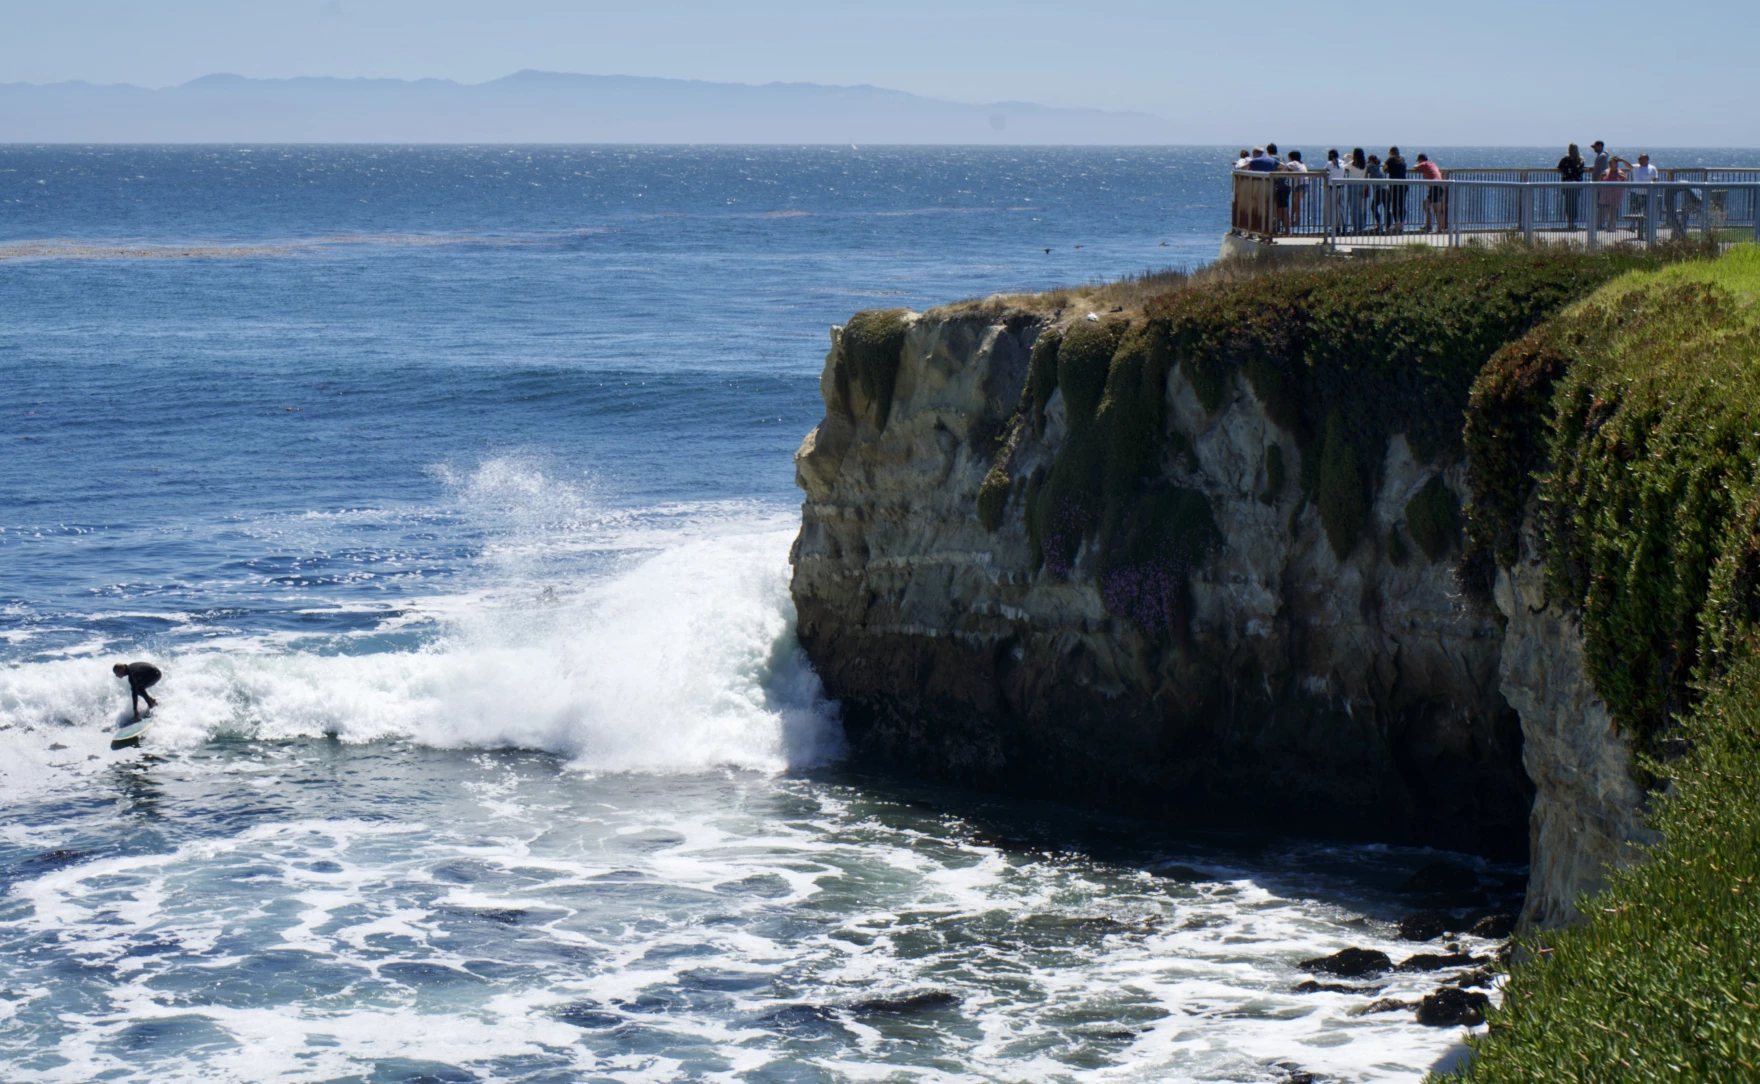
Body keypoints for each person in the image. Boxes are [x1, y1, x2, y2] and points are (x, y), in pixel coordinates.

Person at [1557, 143, 1587, 230]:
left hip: (1567, 184)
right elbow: (1581, 170)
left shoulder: (1565, 159)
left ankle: (1569, 222)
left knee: (1568, 204)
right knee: (1574, 204)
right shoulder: (1580, 160)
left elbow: (1559, 168)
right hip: (1576, 184)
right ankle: (1572, 222)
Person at [1415, 153, 1447, 233]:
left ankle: (1439, 229)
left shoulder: (1425, 163)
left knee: (1437, 209)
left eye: (1418, 161)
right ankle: (1428, 226)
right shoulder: (1432, 163)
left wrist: (1418, 167)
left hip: (1435, 186)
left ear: (1421, 160)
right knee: (1425, 205)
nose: (1418, 162)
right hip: (1436, 186)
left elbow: (1415, 167)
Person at [1597, 156, 1630, 232]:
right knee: (1603, 210)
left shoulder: (1620, 172)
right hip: (1606, 195)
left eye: (1614, 163)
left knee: (1613, 211)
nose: (1612, 165)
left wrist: (1623, 178)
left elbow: (1626, 182)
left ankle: (1611, 226)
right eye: (1611, 164)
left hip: (1616, 195)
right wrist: (1600, 176)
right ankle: (1600, 224)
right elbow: (1599, 181)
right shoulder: (1606, 172)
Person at [1278, 150, 1307, 233]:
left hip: (1299, 184)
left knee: (1296, 203)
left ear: (1291, 157)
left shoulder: (1292, 163)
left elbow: (1283, 168)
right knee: (1295, 202)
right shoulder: (1302, 164)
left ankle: (1297, 221)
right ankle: (1291, 219)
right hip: (1306, 183)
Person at [1628, 153, 1660, 227]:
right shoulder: (1636, 167)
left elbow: (1654, 179)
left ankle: (1646, 225)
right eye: (1638, 159)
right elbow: (1629, 165)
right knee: (1634, 209)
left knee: (1646, 210)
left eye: (1640, 159)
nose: (1639, 160)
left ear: (1646, 159)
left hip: (1646, 193)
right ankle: (1632, 225)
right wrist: (1622, 160)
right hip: (1635, 192)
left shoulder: (1652, 168)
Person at [1384, 146, 1408, 233]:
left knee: (1394, 204)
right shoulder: (1402, 159)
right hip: (1403, 184)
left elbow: (1384, 169)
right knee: (1402, 204)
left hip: (1394, 185)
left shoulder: (1390, 159)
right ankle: (1401, 225)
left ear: (1390, 152)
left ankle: (1396, 225)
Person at [1344, 148, 1368, 234]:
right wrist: (1351, 157)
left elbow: (1344, 169)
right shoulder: (1365, 164)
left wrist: (1345, 159)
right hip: (1362, 186)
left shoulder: (1352, 164)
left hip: (1353, 186)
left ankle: (1356, 227)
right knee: (1359, 208)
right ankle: (1362, 225)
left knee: (1354, 208)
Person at [1366, 154, 1387, 233]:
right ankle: (1388, 227)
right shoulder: (1380, 166)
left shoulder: (1370, 167)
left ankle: (1379, 225)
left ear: (1371, 161)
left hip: (1378, 190)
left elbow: (1365, 165)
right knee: (1387, 209)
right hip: (1386, 189)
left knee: (1373, 208)